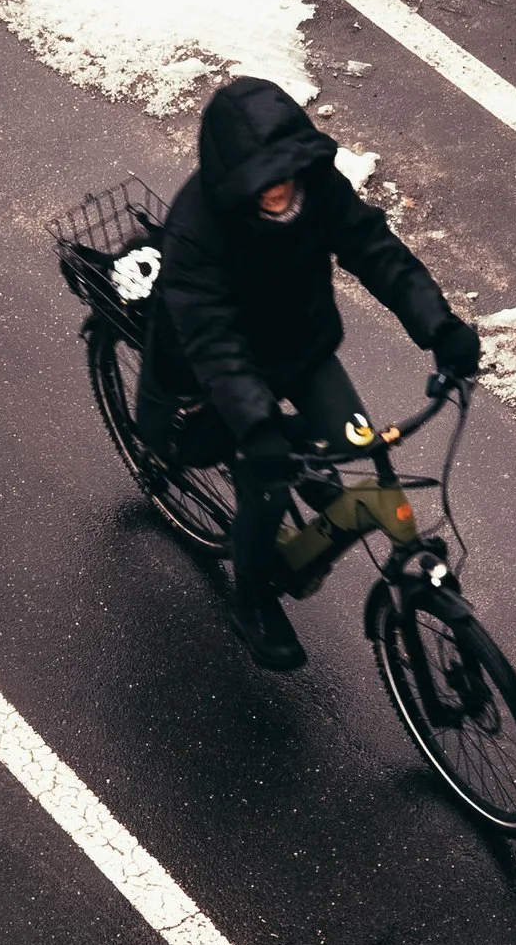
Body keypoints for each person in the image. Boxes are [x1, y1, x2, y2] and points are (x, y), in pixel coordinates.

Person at [136, 76, 483, 670]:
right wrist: (257, 425)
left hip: (300, 349)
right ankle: (252, 595)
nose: (276, 188)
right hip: (217, 375)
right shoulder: (199, 229)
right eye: (260, 179)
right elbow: (214, 341)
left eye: (284, 171)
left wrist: (440, 327)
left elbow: (375, 251)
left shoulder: (317, 186)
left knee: (360, 444)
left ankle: (317, 481)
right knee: (264, 477)